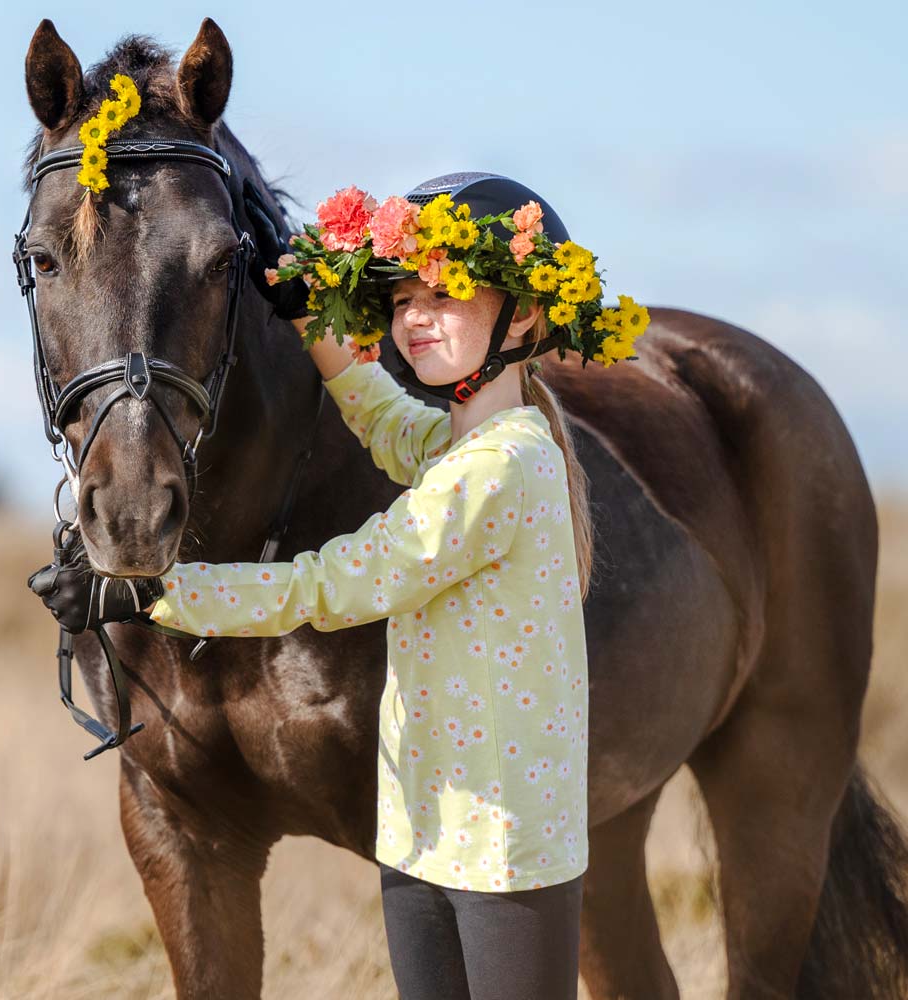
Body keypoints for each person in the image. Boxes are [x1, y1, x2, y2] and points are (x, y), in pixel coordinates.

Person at [31, 173, 600, 1000]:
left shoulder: (506, 466)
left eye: (445, 294)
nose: (414, 317)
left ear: (524, 314)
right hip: (422, 832)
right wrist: (306, 316)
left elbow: (341, 580)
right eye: (402, 299)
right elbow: (378, 415)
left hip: (503, 844)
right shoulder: (451, 444)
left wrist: (150, 597)